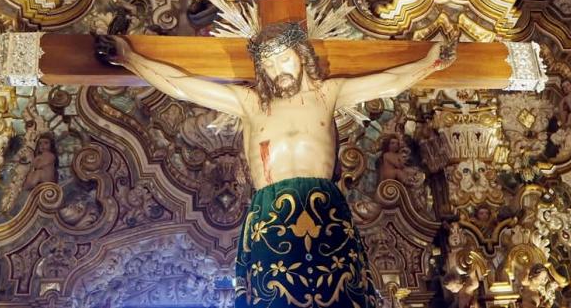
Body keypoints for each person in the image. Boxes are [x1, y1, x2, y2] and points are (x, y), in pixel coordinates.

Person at [100, 22, 456, 308]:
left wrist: (431, 62)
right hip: (271, 213)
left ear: (301, 56)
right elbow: (183, 87)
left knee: (340, 290)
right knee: (271, 295)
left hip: (324, 209)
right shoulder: (251, 103)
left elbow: (390, 83)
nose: (276, 71)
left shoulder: (327, 94)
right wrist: (130, 59)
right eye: (268, 66)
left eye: (283, 59)